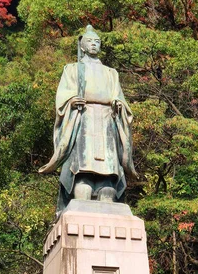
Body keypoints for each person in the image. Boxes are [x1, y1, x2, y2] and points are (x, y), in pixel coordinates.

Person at [39, 24, 137, 215]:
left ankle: (107, 190)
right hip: (83, 118)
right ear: (82, 46)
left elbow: (120, 99)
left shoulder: (111, 73)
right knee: (82, 167)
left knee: (109, 169)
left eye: (97, 42)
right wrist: (71, 101)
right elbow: (63, 97)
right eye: (90, 41)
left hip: (107, 121)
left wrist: (118, 104)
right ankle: (81, 190)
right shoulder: (73, 69)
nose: (94, 44)